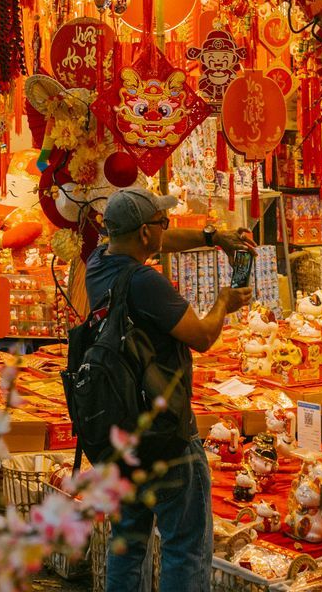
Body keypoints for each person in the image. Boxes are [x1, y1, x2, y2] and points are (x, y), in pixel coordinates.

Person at [84, 188, 253, 592]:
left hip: (121, 432)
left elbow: (164, 240)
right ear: (144, 233)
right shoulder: (146, 283)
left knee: (128, 544)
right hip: (166, 435)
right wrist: (224, 303)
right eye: (162, 223)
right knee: (186, 547)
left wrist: (213, 239)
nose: (167, 228)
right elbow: (201, 336)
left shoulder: (99, 264)